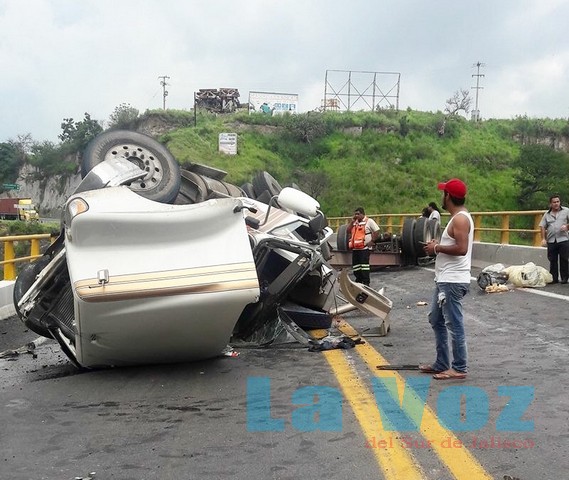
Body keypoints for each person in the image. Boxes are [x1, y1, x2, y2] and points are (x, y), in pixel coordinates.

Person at [421, 178, 474, 380]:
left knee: (454, 324)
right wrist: (439, 246)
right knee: (436, 319)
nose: (442, 197)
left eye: (444, 193)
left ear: (448, 196)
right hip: (444, 279)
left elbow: (461, 248)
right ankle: (442, 363)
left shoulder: (460, 219)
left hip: (452, 281)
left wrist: (436, 248)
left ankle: (459, 367)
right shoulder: (457, 218)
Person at [539, 195, 569, 284]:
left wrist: (567, 226)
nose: (556, 204)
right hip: (552, 240)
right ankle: (554, 278)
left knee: (564, 259)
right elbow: (542, 226)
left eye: (557, 202)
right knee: (552, 259)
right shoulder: (547, 214)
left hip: (563, 239)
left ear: (560, 202)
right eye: (554, 202)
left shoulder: (566, 211)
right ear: (550, 204)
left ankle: (564, 277)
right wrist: (543, 239)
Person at [346, 207, 380, 286]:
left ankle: (366, 282)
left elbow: (376, 231)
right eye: (355, 214)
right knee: (356, 266)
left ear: (362, 214)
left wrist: (372, 241)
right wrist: (352, 222)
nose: (356, 216)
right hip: (355, 249)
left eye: (358, 214)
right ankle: (358, 281)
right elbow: (348, 230)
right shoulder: (355, 222)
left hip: (364, 249)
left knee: (364, 266)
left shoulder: (369, 221)